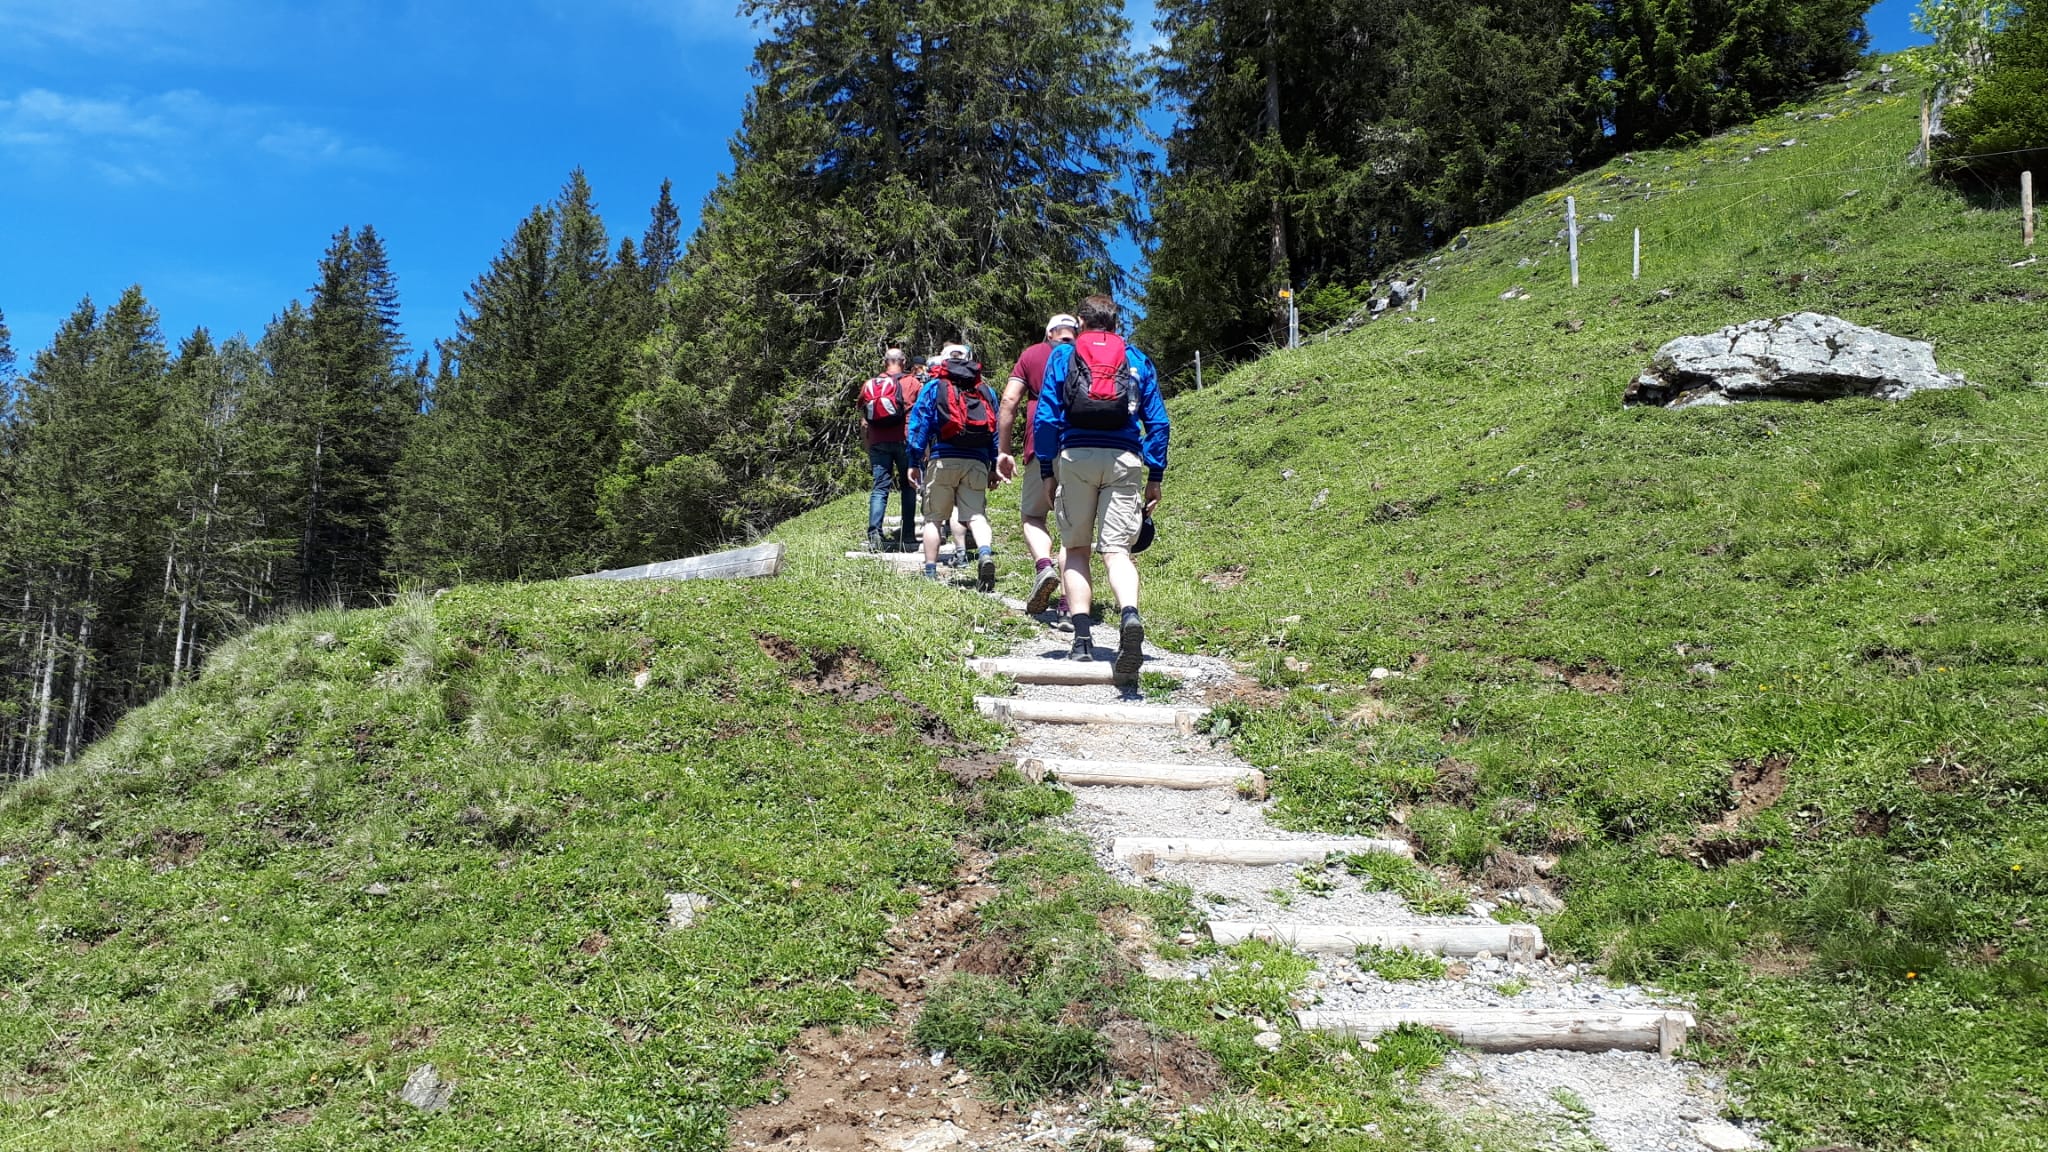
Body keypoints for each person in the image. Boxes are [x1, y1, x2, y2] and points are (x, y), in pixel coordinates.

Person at [1033, 295, 1168, 674]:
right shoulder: (1137, 358)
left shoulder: (1063, 356)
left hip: (1075, 457)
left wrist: (1047, 468)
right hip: (1125, 457)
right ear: (1115, 322)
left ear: (1081, 322)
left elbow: (1045, 418)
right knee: (1117, 551)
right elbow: (1158, 422)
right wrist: (1155, 475)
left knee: (1075, 549)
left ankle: (1081, 640)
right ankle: (1129, 616)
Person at [997, 313, 1078, 615]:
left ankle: (1044, 566)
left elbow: (1009, 401)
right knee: (1073, 527)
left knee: (1032, 515)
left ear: (1049, 333)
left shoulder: (1033, 354)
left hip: (1040, 445)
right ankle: (1071, 605)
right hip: (1079, 448)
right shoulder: (1088, 355)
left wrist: (1003, 449)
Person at [907, 343, 1000, 590]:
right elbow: (995, 429)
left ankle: (930, 571)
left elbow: (919, 425)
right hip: (977, 461)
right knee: (976, 515)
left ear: (943, 361)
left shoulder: (934, 387)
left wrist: (914, 461)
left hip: (943, 458)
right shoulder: (985, 390)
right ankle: (984, 554)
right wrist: (993, 463)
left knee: (934, 519)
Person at [859, 348, 921, 552]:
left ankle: (874, 534)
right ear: (903, 361)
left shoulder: (871, 385)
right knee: (908, 486)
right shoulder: (913, 383)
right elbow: (922, 415)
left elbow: (864, 421)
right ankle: (909, 534)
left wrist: (868, 445)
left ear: (885, 362)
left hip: (878, 441)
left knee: (879, 488)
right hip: (905, 440)